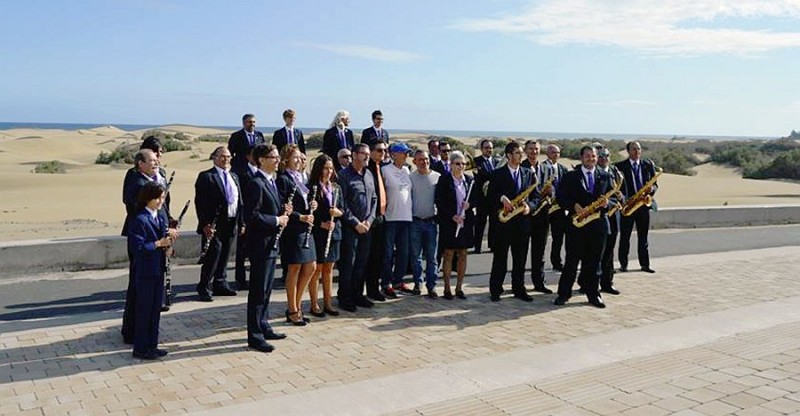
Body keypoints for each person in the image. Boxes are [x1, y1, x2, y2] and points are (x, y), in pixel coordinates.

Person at [121, 148, 177, 344]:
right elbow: (138, 208)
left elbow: (162, 206)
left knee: (150, 293)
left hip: (158, 234)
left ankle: (144, 333)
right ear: (140, 164)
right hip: (145, 237)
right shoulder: (137, 181)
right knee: (139, 289)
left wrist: (168, 224)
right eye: (152, 161)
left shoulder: (157, 178)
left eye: (157, 160)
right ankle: (134, 332)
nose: (156, 163)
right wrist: (160, 238)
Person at [242, 144, 289, 353]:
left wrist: (286, 212)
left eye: (278, 157)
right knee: (258, 292)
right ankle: (255, 336)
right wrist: (276, 219)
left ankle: (264, 325)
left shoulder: (272, 182)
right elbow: (251, 216)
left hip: (272, 244)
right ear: (261, 160)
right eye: (273, 157)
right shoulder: (256, 183)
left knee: (267, 290)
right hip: (260, 245)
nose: (277, 160)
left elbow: (274, 210)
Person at [553, 146, 613, 309]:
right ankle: (563, 294)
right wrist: (574, 206)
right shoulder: (570, 176)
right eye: (587, 156)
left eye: (593, 156)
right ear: (581, 158)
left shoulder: (606, 175)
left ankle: (593, 295)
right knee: (571, 262)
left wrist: (607, 204)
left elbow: (613, 198)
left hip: (597, 225)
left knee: (594, 263)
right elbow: (560, 198)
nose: (591, 159)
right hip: (576, 225)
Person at [487, 141, 538, 302]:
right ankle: (496, 289)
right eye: (517, 153)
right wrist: (502, 199)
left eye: (521, 152)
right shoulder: (497, 174)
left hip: (522, 223)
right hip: (503, 224)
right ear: (509, 155)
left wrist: (529, 207)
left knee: (520, 259)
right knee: (500, 259)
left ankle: (519, 289)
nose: (521, 155)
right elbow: (489, 197)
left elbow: (535, 197)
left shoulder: (528, 173)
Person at [128, 182, 173, 360]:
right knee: (144, 310)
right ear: (148, 198)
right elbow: (137, 247)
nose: (161, 201)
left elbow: (163, 240)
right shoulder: (140, 219)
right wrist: (158, 244)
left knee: (155, 310)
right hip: (146, 271)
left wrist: (168, 248)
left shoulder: (160, 217)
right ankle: (140, 347)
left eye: (163, 197)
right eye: (158, 198)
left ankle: (152, 345)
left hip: (158, 269)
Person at [276, 144, 318, 326]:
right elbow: (282, 207)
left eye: (301, 158)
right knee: (294, 268)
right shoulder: (283, 179)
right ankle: (293, 309)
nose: (300, 161)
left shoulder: (303, 179)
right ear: (286, 160)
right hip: (293, 229)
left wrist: (313, 205)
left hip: (306, 227)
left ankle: (298, 304)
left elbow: (305, 200)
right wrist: (299, 216)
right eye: (296, 158)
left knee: (311, 267)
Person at [194, 146, 242, 302]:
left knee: (225, 254)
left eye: (228, 156)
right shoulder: (206, 176)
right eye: (222, 156)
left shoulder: (234, 176)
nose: (226, 159)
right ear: (214, 158)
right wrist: (205, 224)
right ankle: (204, 286)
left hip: (231, 221)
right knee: (212, 256)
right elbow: (200, 202)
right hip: (214, 224)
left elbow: (239, 201)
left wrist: (241, 222)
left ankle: (220, 283)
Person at [337, 143, 378, 312]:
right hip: (350, 228)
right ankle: (345, 297)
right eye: (364, 154)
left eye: (368, 154)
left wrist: (369, 220)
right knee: (348, 264)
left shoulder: (369, 174)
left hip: (367, 227)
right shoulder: (343, 176)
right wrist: (355, 223)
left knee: (362, 263)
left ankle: (358, 294)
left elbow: (374, 199)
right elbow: (342, 204)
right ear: (354, 155)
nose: (367, 156)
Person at [435, 151, 477, 299]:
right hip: (450, 222)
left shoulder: (470, 180)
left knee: (463, 254)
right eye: (458, 164)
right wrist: (452, 216)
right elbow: (439, 201)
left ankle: (459, 287)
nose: (461, 167)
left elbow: (477, 199)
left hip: (465, 222)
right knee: (448, 254)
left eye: (463, 164)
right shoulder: (444, 180)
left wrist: (470, 204)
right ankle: (447, 288)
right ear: (451, 165)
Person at [307, 155, 344, 318]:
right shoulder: (313, 187)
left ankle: (328, 302)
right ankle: (314, 303)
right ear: (319, 169)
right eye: (325, 168)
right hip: (319, 234)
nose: (329, 171)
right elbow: (309, 213)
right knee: (317, 270)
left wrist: (338, 213)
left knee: (329, 269)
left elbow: (343, 209)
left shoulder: (336, 187)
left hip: (334, 234)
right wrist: (321, 224)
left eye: (331, 168)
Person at [616, 141, 658, 274]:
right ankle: (623, 264)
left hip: (643, 206)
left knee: (643, 238)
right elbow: (618, 187)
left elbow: (655, 184)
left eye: (638, 149)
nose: (637, 151)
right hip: (628, 206)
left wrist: (652, 188)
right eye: (633, 149)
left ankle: (645, 264)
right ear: (628, 151)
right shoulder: (620, 166)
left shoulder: (648, 165)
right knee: (625, 238)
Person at [382, 142, 414, 295]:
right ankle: (386, 282)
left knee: (404, 252)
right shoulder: (385, 170)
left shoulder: (407, 170)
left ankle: (398, 281)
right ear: (394, 154)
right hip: (391, 216)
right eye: (403, 152)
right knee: (388, 252)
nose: (406, 155)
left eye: (407, 152)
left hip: (406, 217)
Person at [521, 140, 553, 294]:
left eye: (536, 149)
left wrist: (549, 193)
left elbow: (553, 191)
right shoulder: (521, 168)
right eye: (531, 149)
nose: (534, 152)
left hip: (542, 215)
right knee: (521, 252)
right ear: (526, 151)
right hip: (525, 216)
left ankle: (539, 282)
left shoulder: (546, 168)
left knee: (539, 252)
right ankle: (519, 284)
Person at [409, 150, 441, 298]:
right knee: (416, 256)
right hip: (415, 222)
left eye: (426, 159)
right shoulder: (410, 178)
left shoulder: (437, 177)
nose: (424, 162)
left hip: (431, 222)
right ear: (415, 161)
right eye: (420, 160)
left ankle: (431, 286)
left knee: (432, 257)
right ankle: (418, 283)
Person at [364, 142, 392, 301]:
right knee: (366, 258)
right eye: (379, 150)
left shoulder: (381, 168)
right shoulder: (367, 170)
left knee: (378, 257)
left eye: (385, 150)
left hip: (381, 217)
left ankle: (373, 289)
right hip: (369, 219)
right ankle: (362, 291)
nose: (383, 153)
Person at [595, 145, 622, 295]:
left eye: (606, 155)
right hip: (598, 218)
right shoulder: (593, 172)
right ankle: (588, 283)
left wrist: (620, 198)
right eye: (600, 156)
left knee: (609, 253)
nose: (604, 158)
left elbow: (622, 195)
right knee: (594, 253)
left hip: (613, 218)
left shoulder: (615, 172)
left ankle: (607, 283)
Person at [232, 147, 259, 291]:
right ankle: (240, 279)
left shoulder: (262, 172)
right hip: (246, 215)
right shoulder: (241, 173)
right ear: (248, 157)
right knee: (241, 251)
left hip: (258, 218)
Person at [472, 139, 501, 254]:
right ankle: (477, 246)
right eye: (486, 148)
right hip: (482, 199)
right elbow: (480, 177)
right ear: (481, 149)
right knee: (480, 223)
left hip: (494, 198)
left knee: (494, 223)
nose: (489, 150)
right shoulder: (476, 161)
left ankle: (492, 245)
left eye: (490, 148)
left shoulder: (496, 161)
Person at [543, 144, 569, 271]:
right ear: (547, 153)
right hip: (545, 207)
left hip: (559, 208)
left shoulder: (563, 169)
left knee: (558, 237)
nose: (556, 154)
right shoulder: (541, 167)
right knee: (542, 238)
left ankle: (556, 262)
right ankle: (540, 263)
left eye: (558, 152)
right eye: (553, 152)